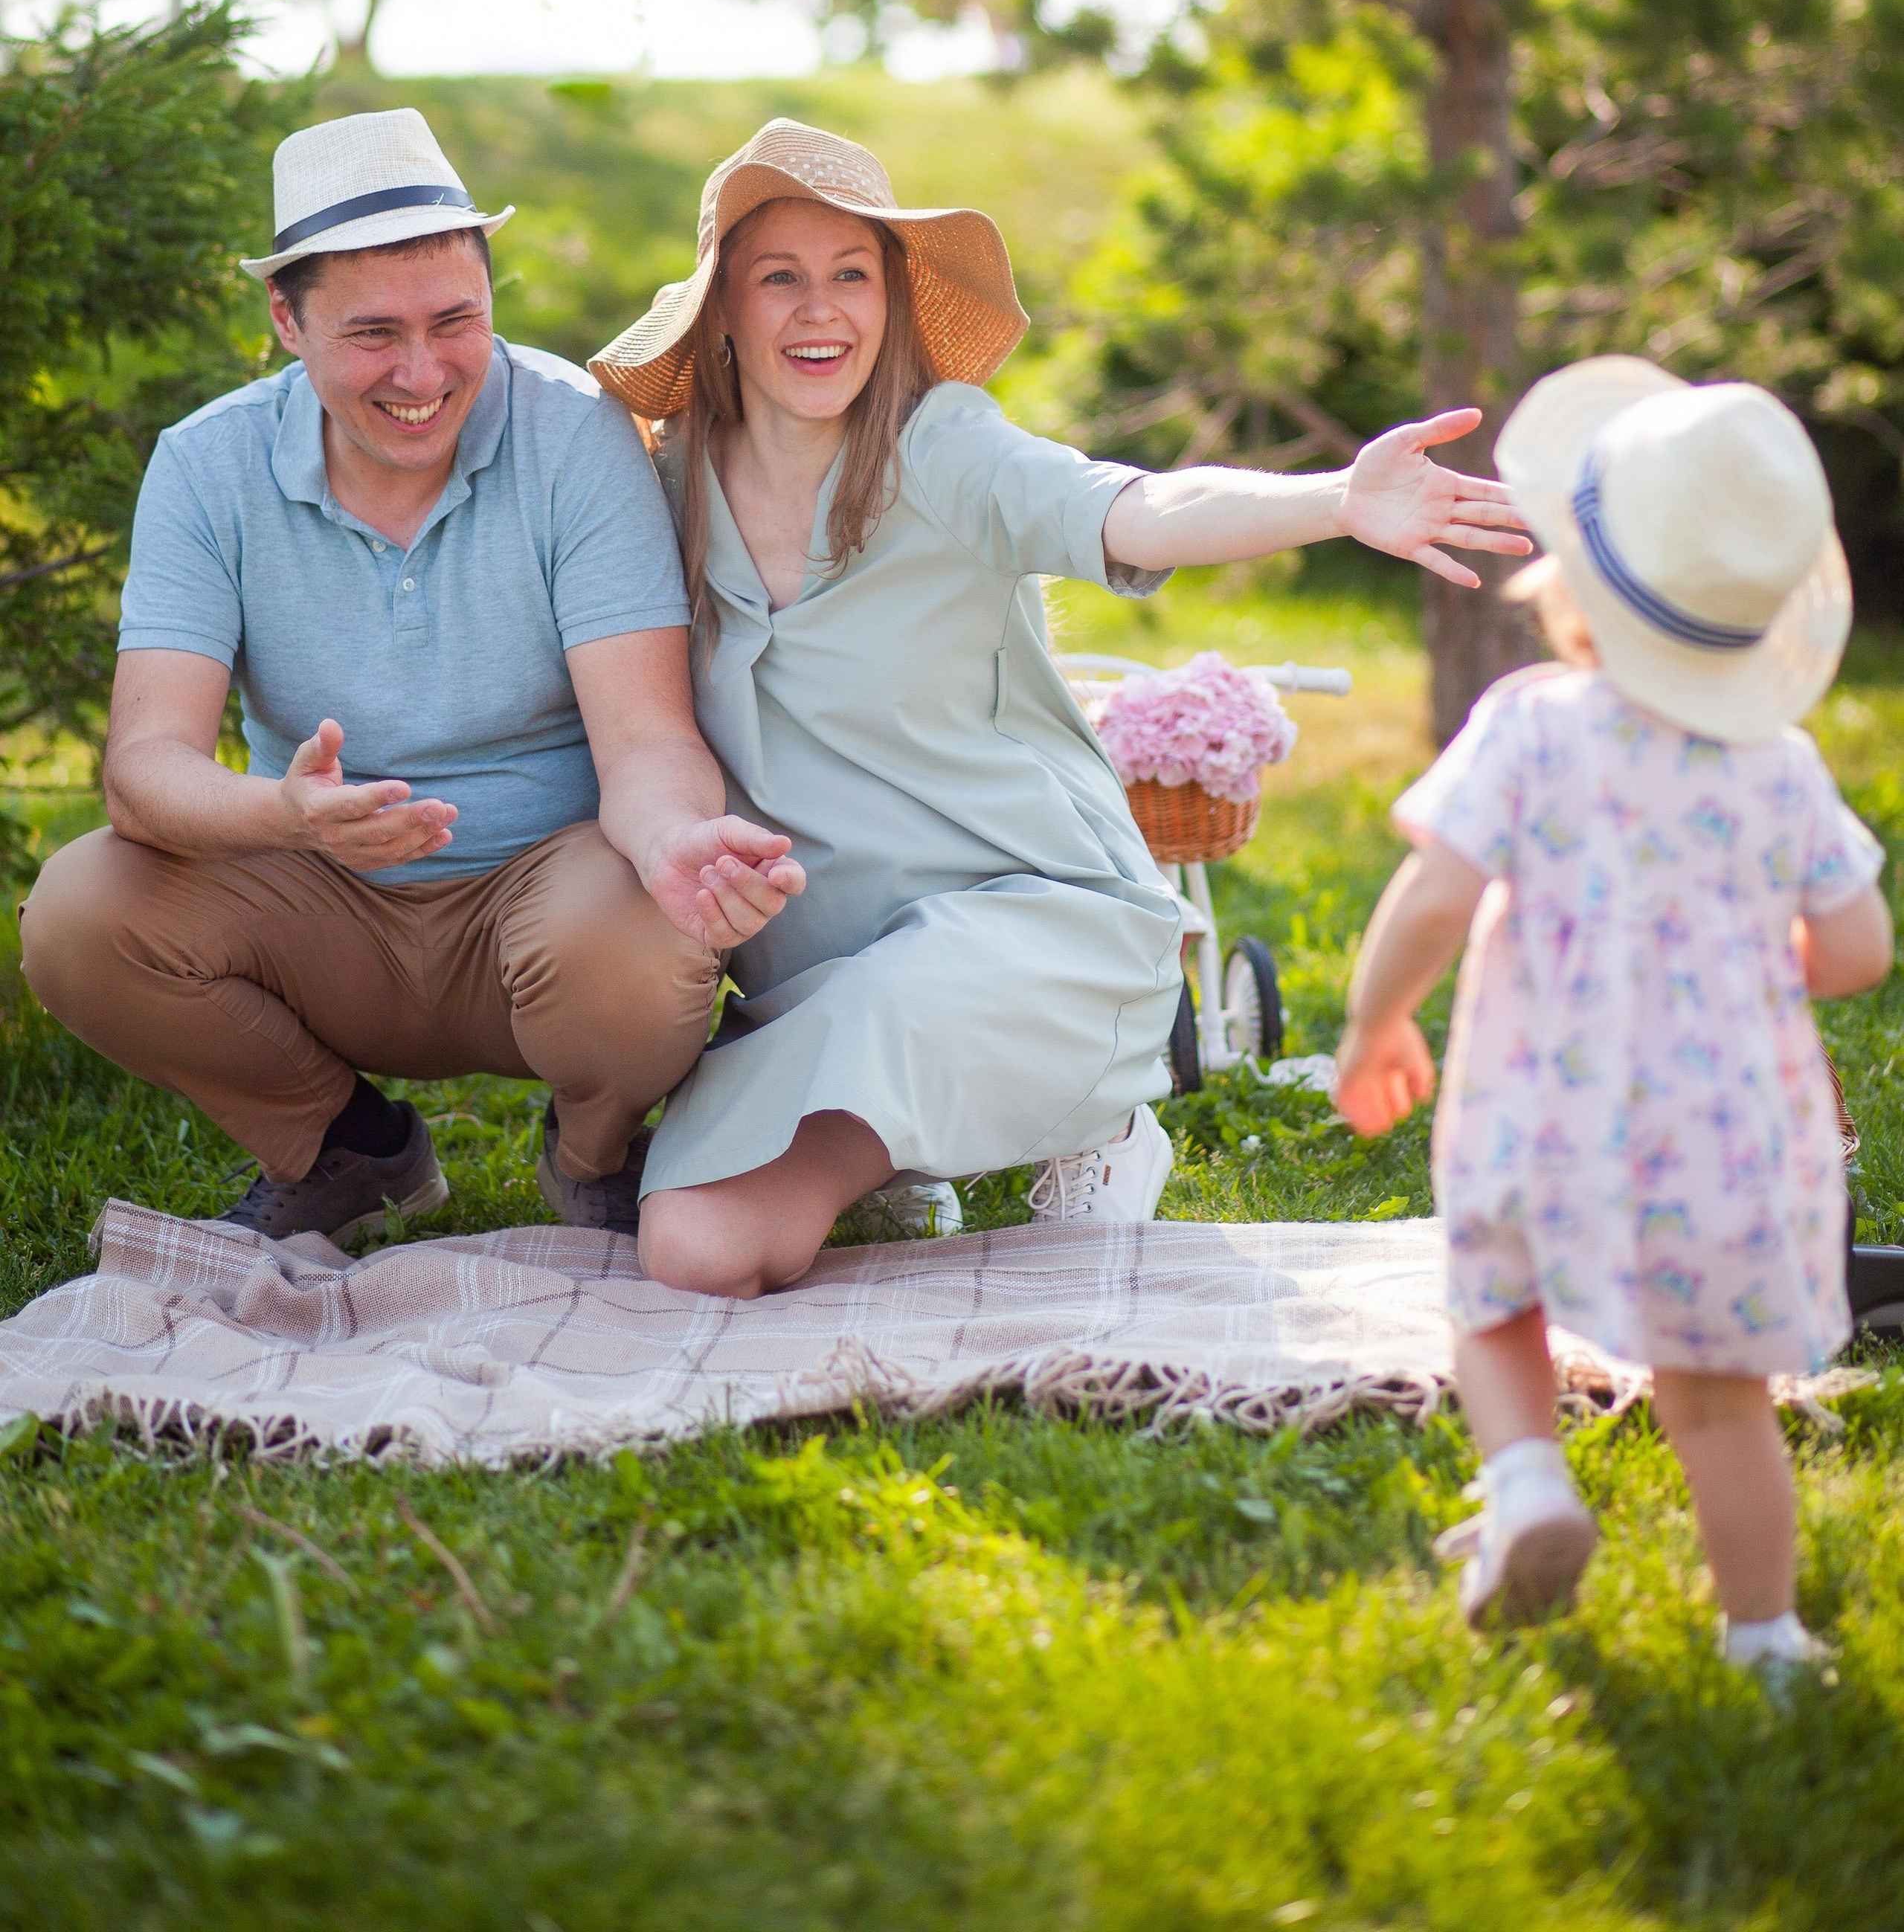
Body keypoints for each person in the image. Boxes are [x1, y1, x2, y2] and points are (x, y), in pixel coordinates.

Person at [585, 117, 1532, 1301]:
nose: (818, 311)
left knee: (860, 1083)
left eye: (851, 276)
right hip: (823, 977)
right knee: (696, 1250)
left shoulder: (942, 448)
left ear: (892, 303)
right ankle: (918, 1135)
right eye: (779, 278)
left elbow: (1136, 507)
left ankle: (1096, 1119)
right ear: (722, 308)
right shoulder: (667, 485)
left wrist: (1337, 500)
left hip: (1033, 936)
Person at [19, 109, 803, 1246]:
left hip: (547, 903)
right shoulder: (206, 464)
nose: (424, 374)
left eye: (455, 322)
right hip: (315, 901)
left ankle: (594, 1157)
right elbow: (146, 771)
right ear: (287, 319)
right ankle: (345, 1148)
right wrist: (286, 814)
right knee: (80, 914)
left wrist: (676, 838)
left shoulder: (578, 434)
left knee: (651, 933)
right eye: (373, 334)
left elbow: (643, 739)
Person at [1333, 358, 1894, 1685]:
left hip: (1547, 1119)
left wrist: (1375, 1029)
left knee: (1497, 1301)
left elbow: (1433, 898)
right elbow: (1862, 951)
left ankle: (1528, 1479)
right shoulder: (1786, 767)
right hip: (1729, 1141)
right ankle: (1765, 1637)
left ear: (1573, 588)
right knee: (1720, 1397)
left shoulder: (1531, 731)